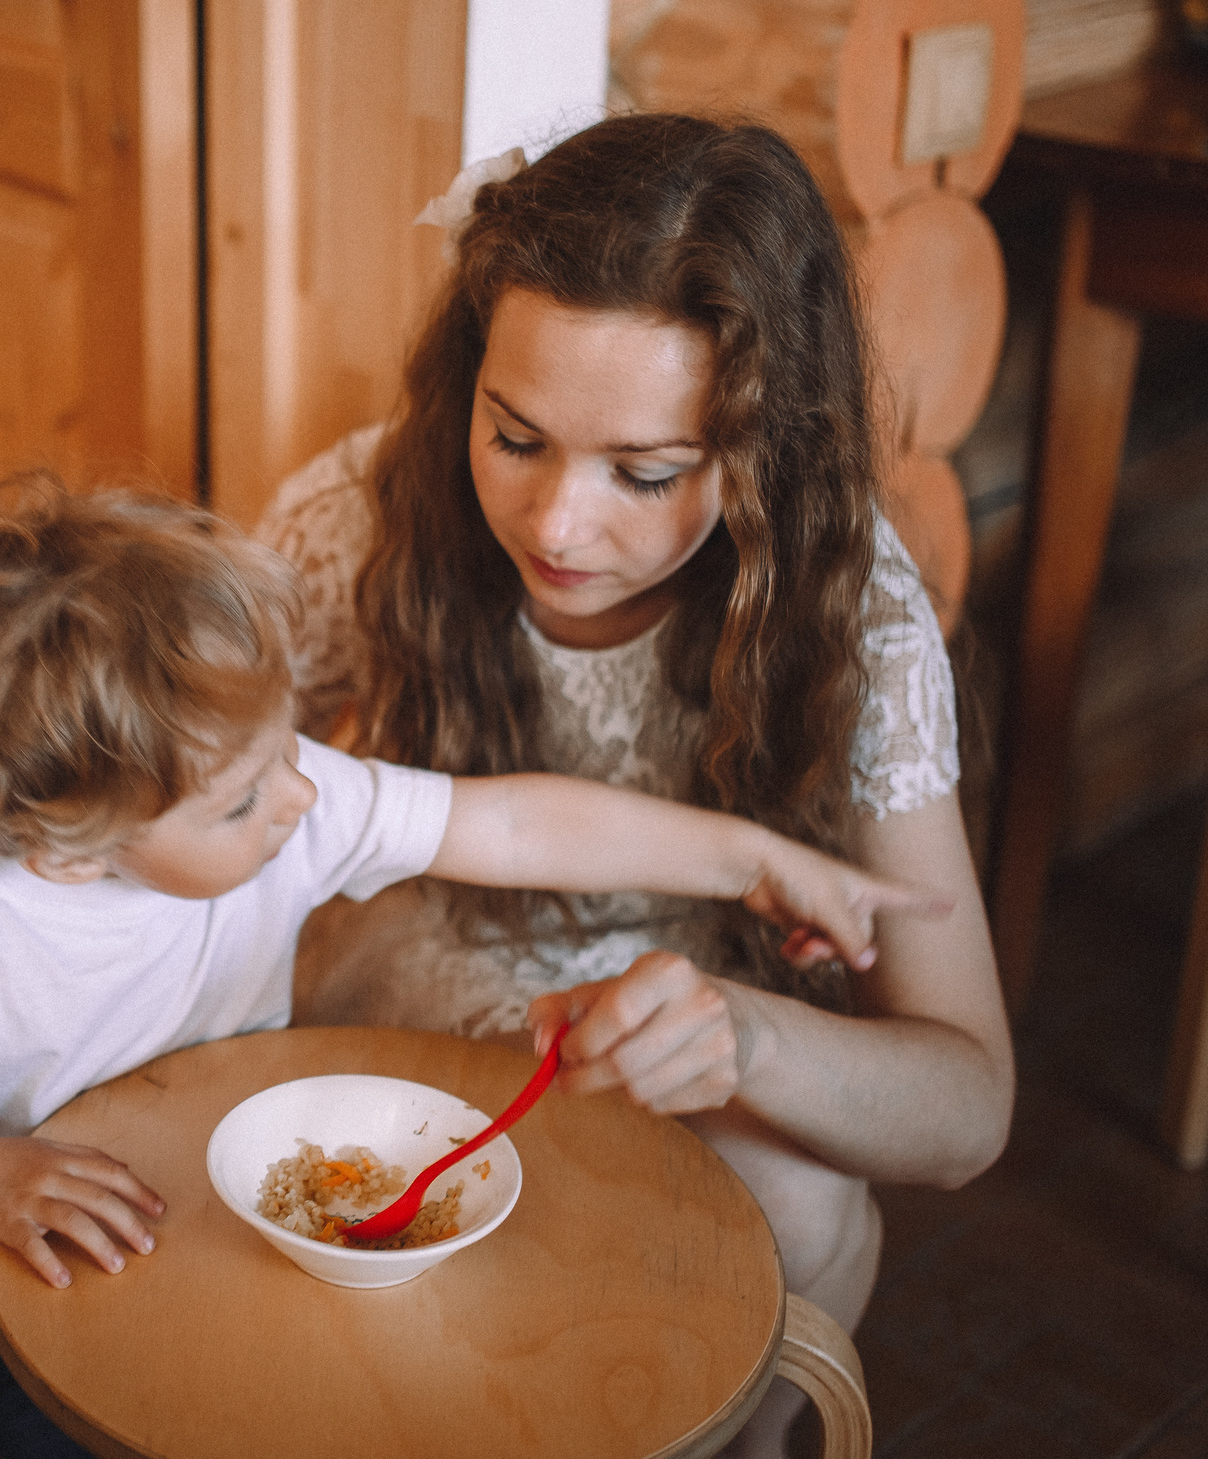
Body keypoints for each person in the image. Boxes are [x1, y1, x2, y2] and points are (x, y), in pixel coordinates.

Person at [0, 474, 946, 1459]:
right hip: (32, 1282)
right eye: (243, 796)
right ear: (69, 843)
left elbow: (511, 825)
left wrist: (754, 861)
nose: (302, 795)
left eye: (286, 747)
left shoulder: (280, 801)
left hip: (212, 1216)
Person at [259, 112, 1014, 1456]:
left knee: (803, 1204)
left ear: (766, 448)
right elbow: (176, 804)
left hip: (686, 1015)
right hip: (412, 973)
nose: (559, 524)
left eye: (646, 473)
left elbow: (968, 1108)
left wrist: (749, 1038)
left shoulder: (849, 605)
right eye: (516, 436)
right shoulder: (358, 515)